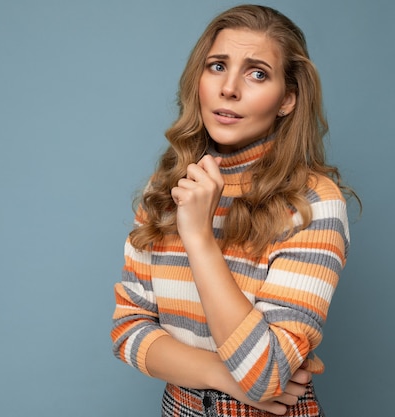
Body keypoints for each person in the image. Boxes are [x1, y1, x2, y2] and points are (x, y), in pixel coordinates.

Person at [111, 4, 356, 416]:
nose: (229, 88)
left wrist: (199, 238)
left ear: (287, 99)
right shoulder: (166, 189)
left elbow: (265, 376)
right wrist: (222, 376)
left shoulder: (313, 201)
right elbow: (128, 332)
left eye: (257, 72)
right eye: (217, 66)